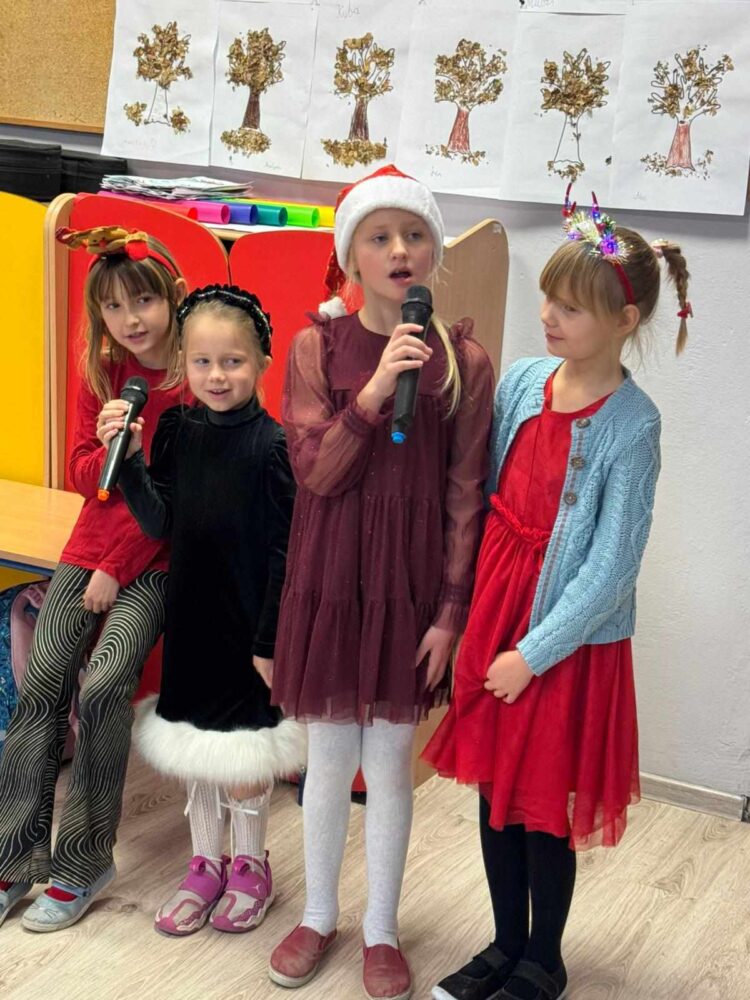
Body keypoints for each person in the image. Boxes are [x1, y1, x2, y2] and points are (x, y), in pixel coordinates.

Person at [426, 190, 691, 1000]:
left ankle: (544, 959)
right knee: (494, 796)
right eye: (548, 298)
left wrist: (531, 654)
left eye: (570, 308)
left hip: (560, 642)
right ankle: (504, 943)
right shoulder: (523, 382)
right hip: (496, 614)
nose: (547, 316)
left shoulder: (633, 425)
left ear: (623, 320)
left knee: (541, 806)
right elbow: (482, 492)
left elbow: (611, 569)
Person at [268, 165, 494, 1000]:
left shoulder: (463, 360)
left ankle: (382, 930)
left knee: (390, 763)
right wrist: (369, 393)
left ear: (433, 252)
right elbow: (316, 474)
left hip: (410, 588)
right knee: (328, 757)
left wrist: (451, 611)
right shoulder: (314, 348)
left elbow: (465, 494)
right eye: (380, 236)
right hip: (331, 578)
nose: (400, 250)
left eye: (415, 234)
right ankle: (318, 914)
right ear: (350, 256)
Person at [0, 226, 187, 931]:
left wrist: (114, 569)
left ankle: (82, 862)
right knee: (44, 678)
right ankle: (14, 859)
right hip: (90, 546)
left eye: (143, 300)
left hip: (156, 560)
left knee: (106, 684)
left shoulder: (194, 381)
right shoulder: (106, 377)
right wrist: (110, 445)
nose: (130, 319)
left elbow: (176, 508)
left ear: (172, 296)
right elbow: (86, 479)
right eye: (113, 307)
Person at [115, 284, 304, 936]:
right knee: (197, 748)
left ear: (261, 363)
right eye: (202, 362)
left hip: (247, 627)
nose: (217, 376)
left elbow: (285, 553)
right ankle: (205, 863)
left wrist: (269, 641)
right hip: (192, 618)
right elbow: (160, 521)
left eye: (233, 362)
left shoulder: (273, 447)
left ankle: (251, 865)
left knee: (243, 753)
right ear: (184, 364)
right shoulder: (177, 431)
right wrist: (131, 465)